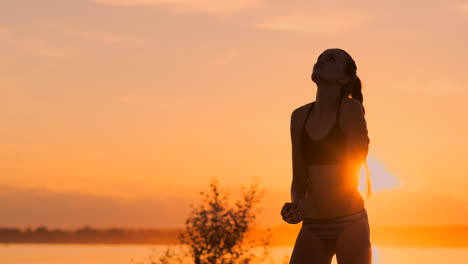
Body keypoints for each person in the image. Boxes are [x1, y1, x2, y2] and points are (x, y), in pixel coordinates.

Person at [280, 48, 372, 264]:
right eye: (319, 57)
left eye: (330, 58)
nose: (320, 60)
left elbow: (349, 178)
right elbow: (299, 177)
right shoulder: (299, 116)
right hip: (313, 224)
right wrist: (296, 206)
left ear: (344, 78)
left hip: (350, 222)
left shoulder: (351, 110)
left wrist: (308, 205)